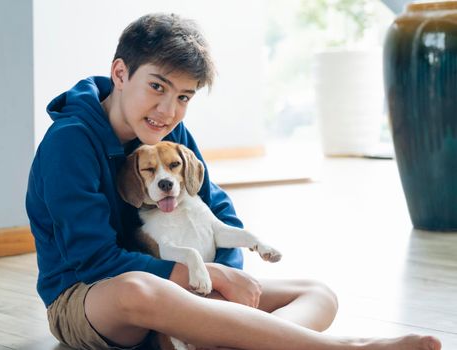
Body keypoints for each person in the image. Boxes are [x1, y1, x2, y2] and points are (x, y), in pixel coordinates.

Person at [25, 12, 442, 350]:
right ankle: (343, 349)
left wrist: (223, 272)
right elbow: (95, 260)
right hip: (90, 298)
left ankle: (221, 337)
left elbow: (215, 209)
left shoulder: (167, 135)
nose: (168, 110)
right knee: (141, 289)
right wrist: (207, 280)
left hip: (184, 285)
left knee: (318, 293)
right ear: (120, 73)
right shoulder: (70, 142)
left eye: (184, 97)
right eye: (157, 87)